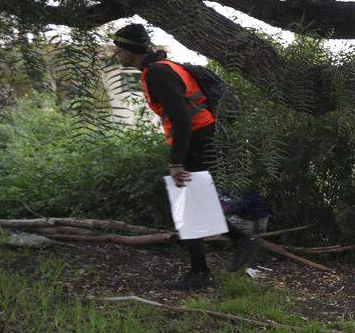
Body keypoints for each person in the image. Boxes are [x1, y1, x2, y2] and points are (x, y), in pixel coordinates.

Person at [111, 23, 263, 289]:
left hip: (198, 138)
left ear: (129, 49)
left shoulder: (157, 72)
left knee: (187, 204)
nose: (116, 54)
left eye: (118, 48)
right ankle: (225, 252)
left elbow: (182, 119)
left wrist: (176, 162)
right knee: (193, 202)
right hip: (203, 136)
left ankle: (205, 270)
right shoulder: (160, 68)